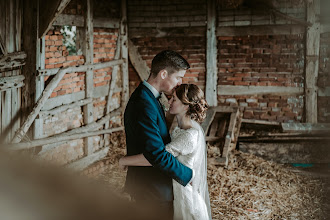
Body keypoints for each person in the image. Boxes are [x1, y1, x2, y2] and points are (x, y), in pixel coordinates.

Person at [120, 84, 212, 220]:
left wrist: (124, 160)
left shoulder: (188, 137)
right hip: (176, 190)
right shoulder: (180, 129)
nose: (169, 102)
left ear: (186, 106)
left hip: (185, 196)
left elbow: (157, 157)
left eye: (173, 100)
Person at [123, 50, 194, 219]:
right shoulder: (143, 103)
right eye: (178, 77)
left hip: (153, 187)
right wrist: (188, 174)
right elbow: (156, 153)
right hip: (151, 190)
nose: (180, 83)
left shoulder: (150, 97)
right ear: (163, 74)